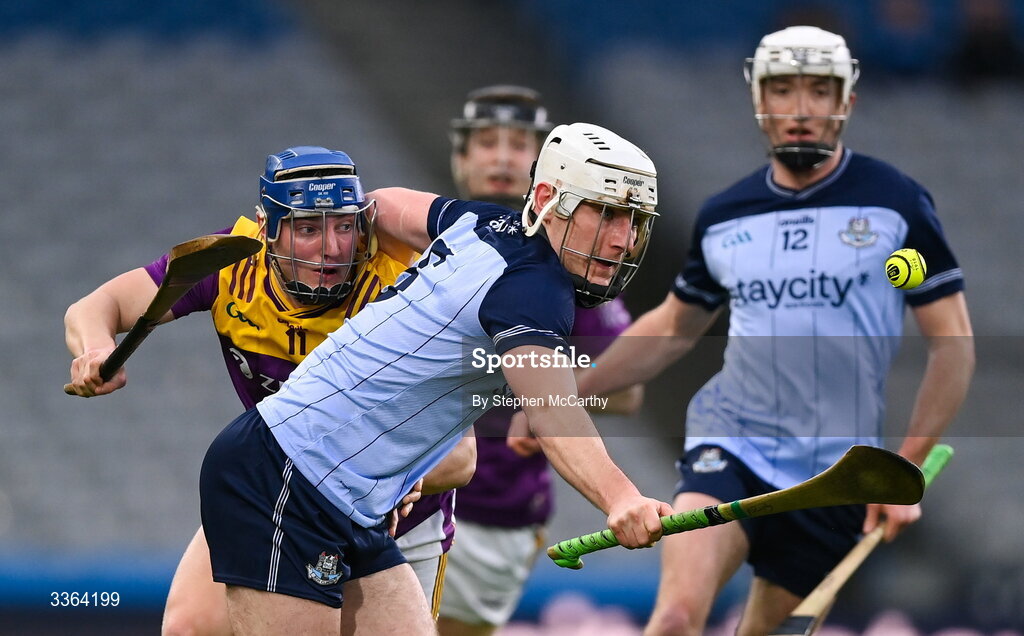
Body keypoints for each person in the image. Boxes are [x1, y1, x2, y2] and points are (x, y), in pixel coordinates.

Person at [575, 26, 975, 635]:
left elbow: (954, 345)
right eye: (783, 90)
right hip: (730, 447)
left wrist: (904, 469)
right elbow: (675, 326)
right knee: (678, 617)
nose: (800, 109)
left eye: (820, 91)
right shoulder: (724, 215)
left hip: (832, 478)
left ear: (848, 101)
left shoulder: (896, 203)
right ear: (758, 99)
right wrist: (564, 397)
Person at [198, 122, 673, 634]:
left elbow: (383, 204)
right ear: (545, 198)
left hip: (349, 499)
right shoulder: (535, 289)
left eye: (635, 220)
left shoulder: (483, 221)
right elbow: (554, 413)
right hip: (284, 475)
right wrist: (621, 497)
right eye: (606, 213)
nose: (624, 240)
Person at [64, 146, 475, 634]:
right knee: (190, 627)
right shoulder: (231, 265)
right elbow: (96, 305)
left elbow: (463, 455)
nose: (332, 248)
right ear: (267, 229)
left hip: (398, 524)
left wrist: (407, 476)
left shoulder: (401, 288)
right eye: (308, 228)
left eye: (344, 226)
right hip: (278, 491)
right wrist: (94, 350)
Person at [437, 86, 643, 636]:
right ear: (460, 158)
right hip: (403, 495)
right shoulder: (426, 244)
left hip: (496, 512)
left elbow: (626, 390)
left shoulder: (576, 260)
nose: (504, 157)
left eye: (520, 144)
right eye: (487, 142)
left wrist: (545, 396)